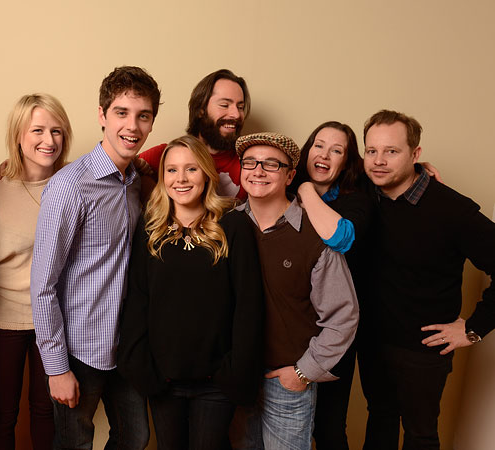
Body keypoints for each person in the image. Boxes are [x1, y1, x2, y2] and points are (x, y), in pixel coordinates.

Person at [30, 66, 160, 449]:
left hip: (126, 346)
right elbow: (43, 284)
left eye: (143, 115)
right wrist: (56, 369)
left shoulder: (138, 181)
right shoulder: (70, 187)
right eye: (121, 112)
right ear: (102, 115)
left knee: (134, 438)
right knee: (74, 444)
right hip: (79, 349)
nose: (132, 126)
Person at [117, 135, 265, 449]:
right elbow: (137, 303)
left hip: (217, 382)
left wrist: (232, 375)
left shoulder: (233, 225)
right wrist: (147, 373)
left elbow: (248, 307)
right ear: (162, 177)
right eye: (171, 170)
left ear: (207, 174)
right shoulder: (149, 228)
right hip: (164, 381)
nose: (181, 179)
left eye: (191, 169)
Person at [360, 110, 495, 450]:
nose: (379, 161)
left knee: (420, 434)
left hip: (423, 351)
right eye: (371, 151)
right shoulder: (362, 198)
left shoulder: (453, 210)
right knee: (380, 420)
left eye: (392, 151)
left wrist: (473, 327)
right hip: (372, 341)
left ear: (415, 154)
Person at [233, 132, 359, 450]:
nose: (258, 170)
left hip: (287, 383)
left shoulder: (313, 237)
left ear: (290, 175)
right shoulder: (225, 227)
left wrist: (303, 372)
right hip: (235, 380)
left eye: (271, 164)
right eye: (250, 162)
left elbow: (343, 314)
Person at [0, 93, 72, 450]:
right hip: (3, 321)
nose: (49, 141)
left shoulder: (75, 185)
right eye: (38, 131)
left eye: (57, 131)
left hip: (58, 319)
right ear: (18, 135)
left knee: (48, 409)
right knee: (2, 411)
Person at [290, 121, 372, 450]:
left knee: (327, 426)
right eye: (318, 145)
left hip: (335, 330)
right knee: (288, 421)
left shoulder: (357, 199)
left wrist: (307, 189)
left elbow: (338, 238)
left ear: (347, 162)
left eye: (336, 150)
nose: (324, 154)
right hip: (291, 324)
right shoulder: (281, 187)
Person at [139, 69, 250, 200]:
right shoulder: (165, 155)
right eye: (224, 105)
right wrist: (136, 165)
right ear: (200, 110)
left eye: (240, 107)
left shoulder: (251, 164)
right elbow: (119, 167)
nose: (236, 114)